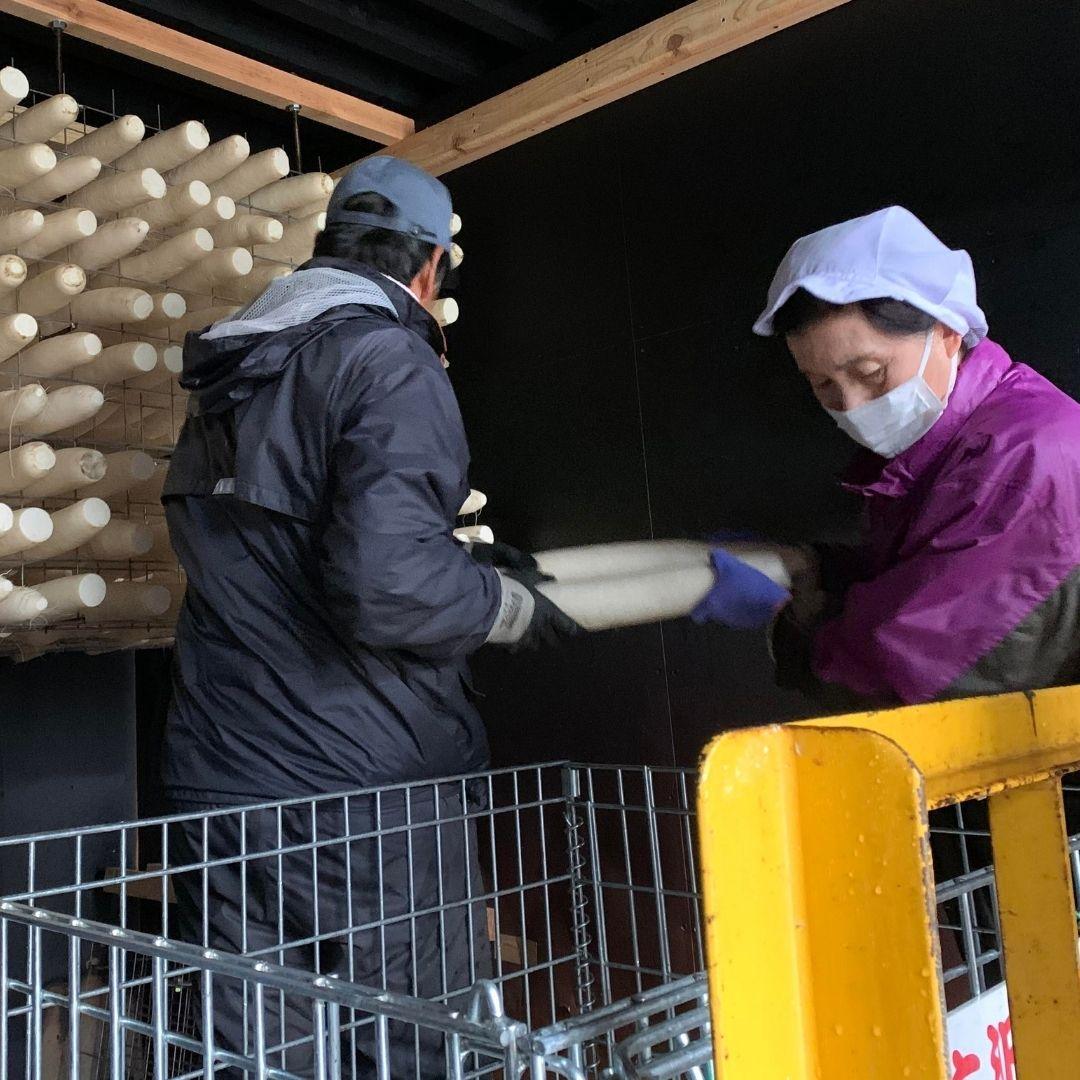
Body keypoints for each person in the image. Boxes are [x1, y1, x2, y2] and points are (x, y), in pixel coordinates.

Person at [161, 155, 577, 1076]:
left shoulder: (231, 375)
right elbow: (385, 588)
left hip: (226, 780)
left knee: (259, 1047)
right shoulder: (388, 359)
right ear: (431, 267)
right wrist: (504, 604)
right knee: (411, 1040)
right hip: (362, 797)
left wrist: (453, 564)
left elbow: (296, 554)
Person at [695, 205, 1080, 709]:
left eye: (871, 372)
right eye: (823, 385)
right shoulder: (945, 448)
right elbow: (926, 578)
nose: (851, 405)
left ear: (945, 333)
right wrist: (817, 567)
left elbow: (925, 666)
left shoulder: (1025, 456)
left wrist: (787, 626)